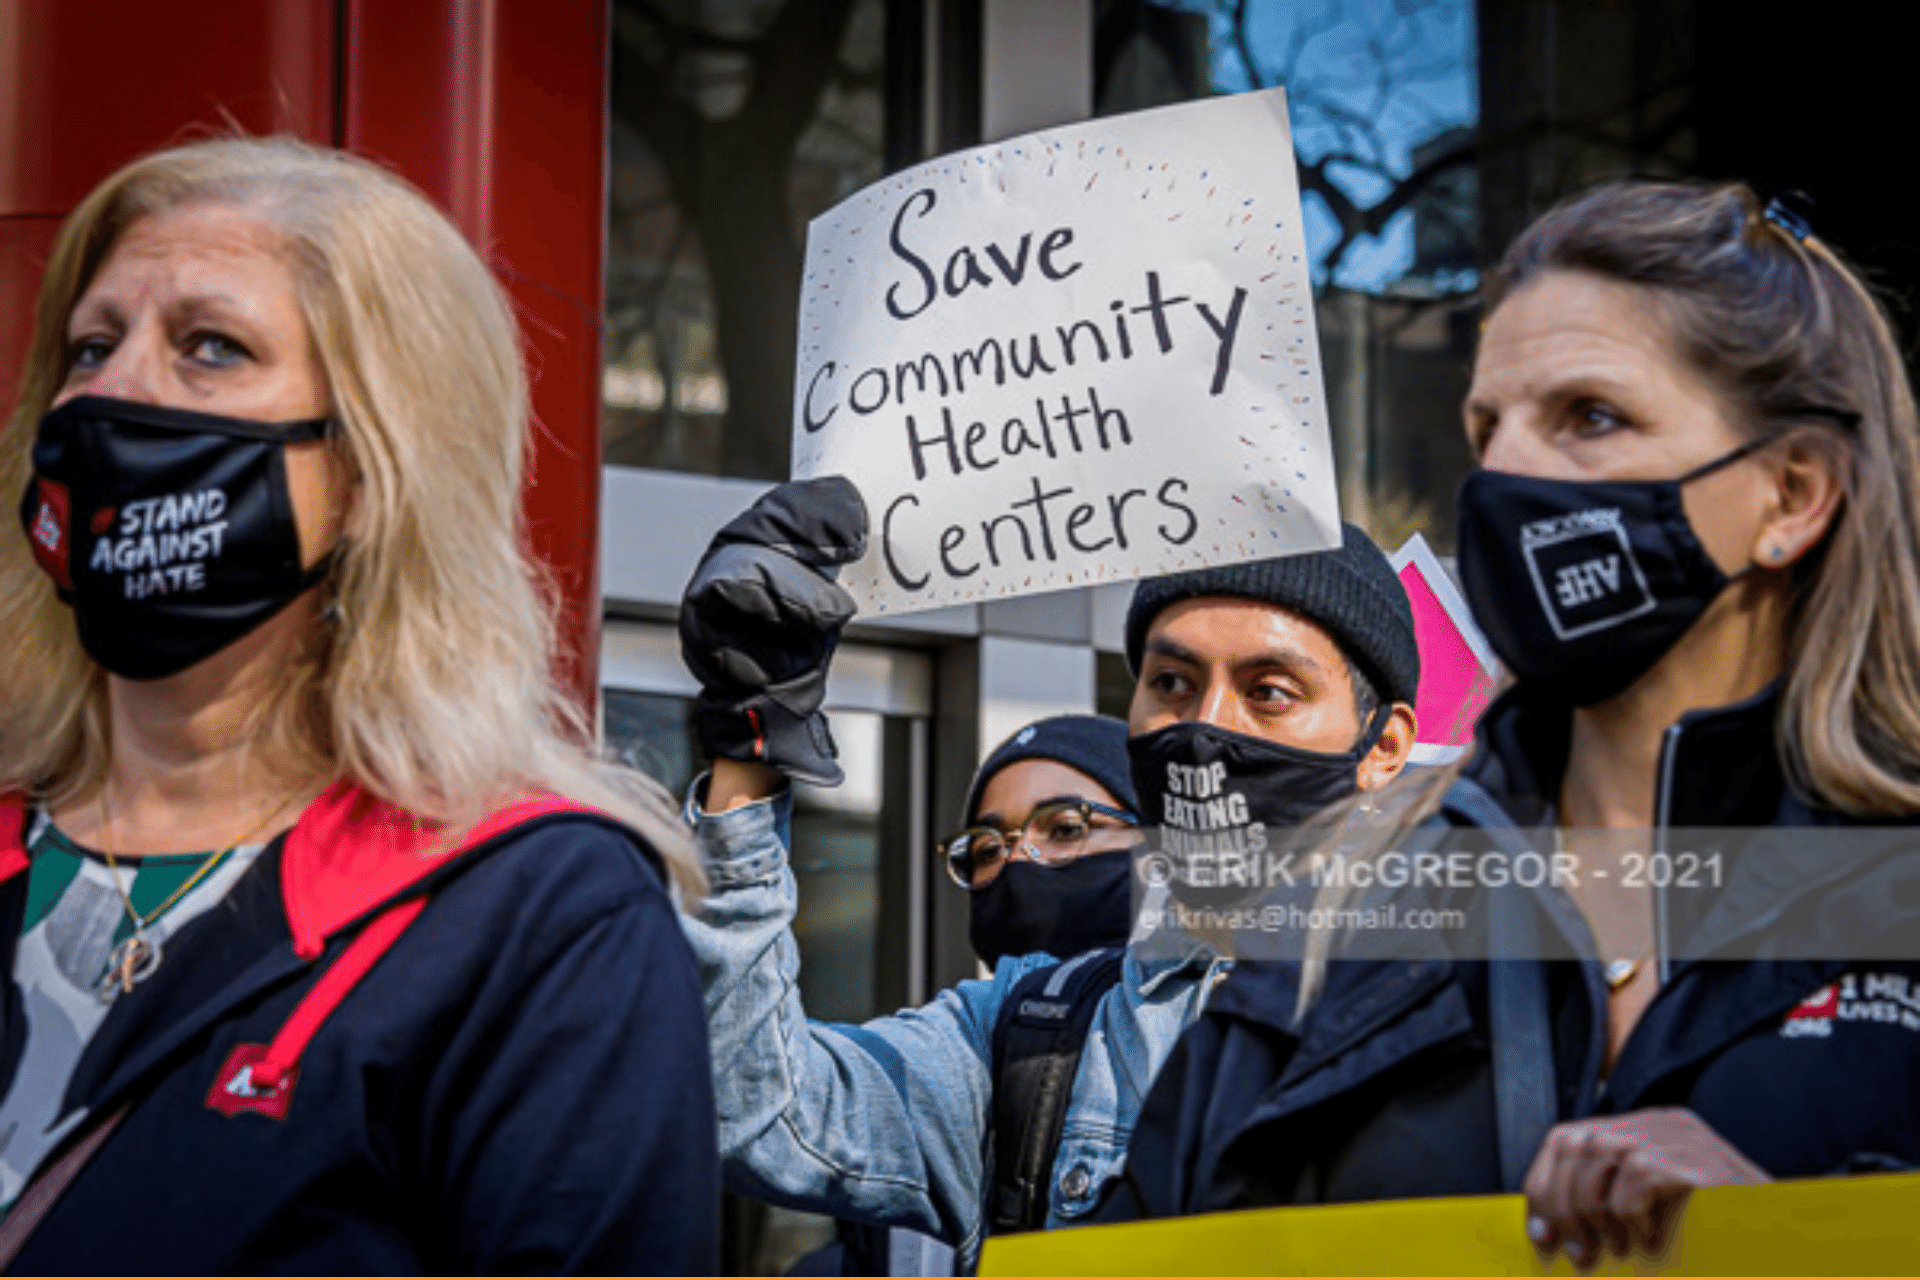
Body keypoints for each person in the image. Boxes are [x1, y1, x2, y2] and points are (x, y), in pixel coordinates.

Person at [1099, 181, 1920, 1267]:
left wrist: (1809, 1223)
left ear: (1792, 493)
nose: (1507, 476)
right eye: (1490, 425)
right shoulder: (1334, 922)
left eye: (1589, 416)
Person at [0, 137, 717, 1272]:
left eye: (209, 347)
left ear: (374, 476)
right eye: (92, 345)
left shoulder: (534, 914)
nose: (114, 392)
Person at [676, 479, 1420, 1270]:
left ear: (1383, 747)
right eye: (1172, 683)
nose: (1207, 727)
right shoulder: (1030, 1041)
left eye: (1270, 692)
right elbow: (756, 1109)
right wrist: (749, 757)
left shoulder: (1485, 999)